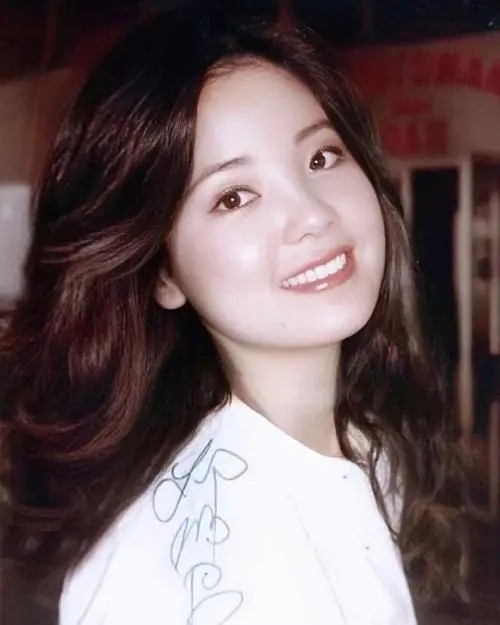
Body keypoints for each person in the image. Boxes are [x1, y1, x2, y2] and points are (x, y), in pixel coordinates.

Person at [0, 5, 469, 625]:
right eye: (234, 196)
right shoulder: (170, 571)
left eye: (321, 157)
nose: (313, 215)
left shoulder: (366, 440)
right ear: (162, 272)